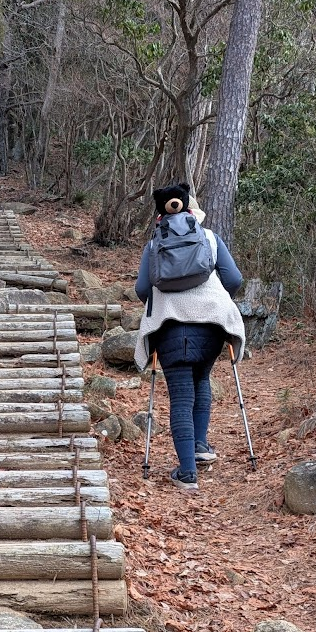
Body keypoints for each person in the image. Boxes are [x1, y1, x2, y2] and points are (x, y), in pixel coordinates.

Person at [133, 182, 246, 489]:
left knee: (181, 396)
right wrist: (217, 300)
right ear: (193, 214)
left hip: (170, 328)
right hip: (212, 326)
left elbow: (142, 289)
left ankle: (187, 473)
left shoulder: (154, 244)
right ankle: (199, 446)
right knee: (201, 380)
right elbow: (234, 279)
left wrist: (160, 303)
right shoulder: (209, 238)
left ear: (161, 216)